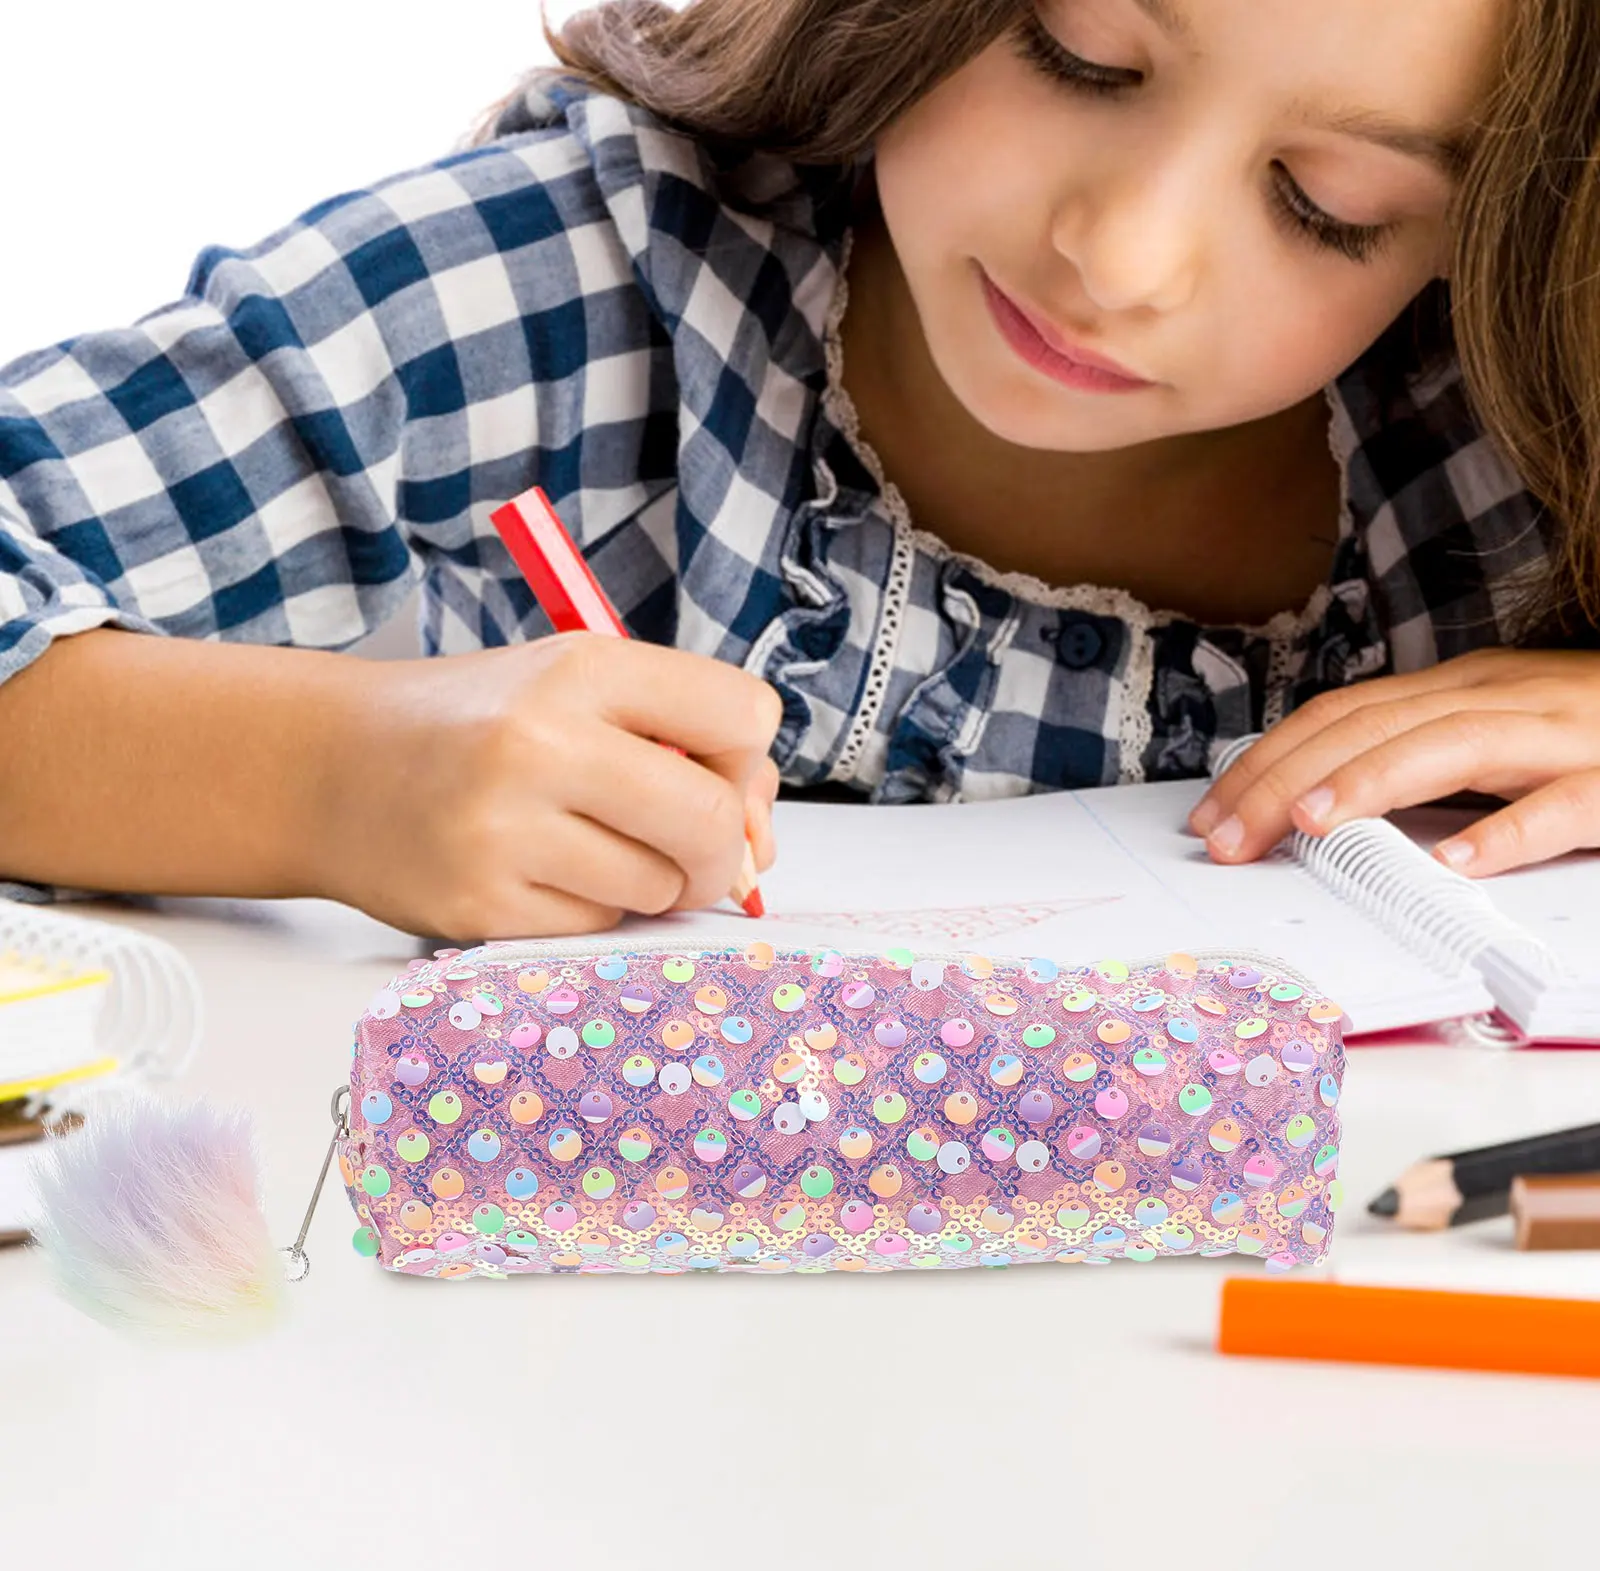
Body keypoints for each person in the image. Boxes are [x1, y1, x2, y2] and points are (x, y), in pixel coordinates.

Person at [1, 0, 1597, 939]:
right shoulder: (547, 295)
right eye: (1080, 53)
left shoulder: (1506, 444)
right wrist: (327, 782)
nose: (1123, 255)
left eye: (1327, 204)